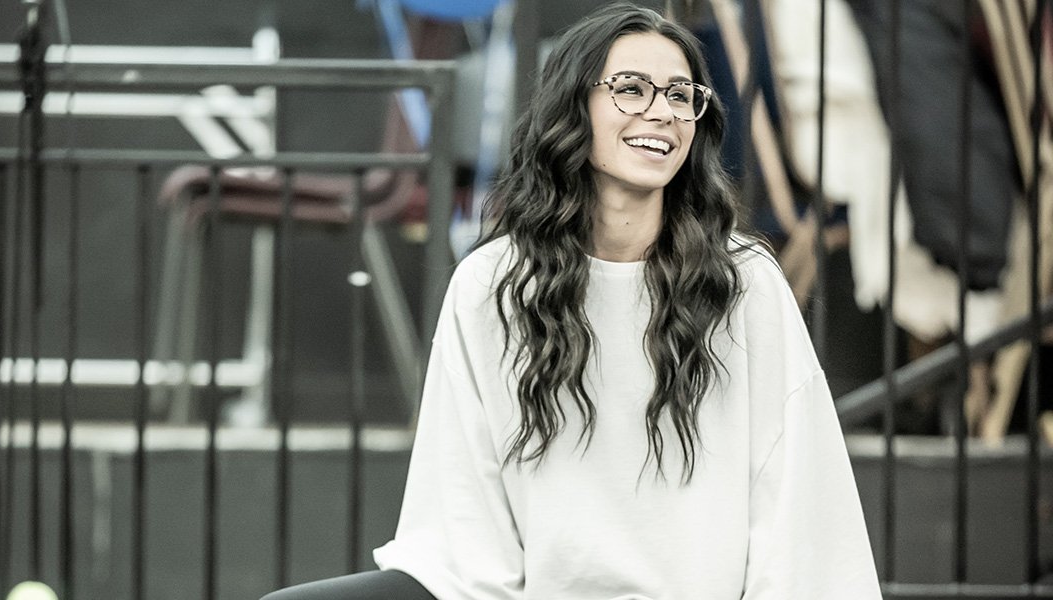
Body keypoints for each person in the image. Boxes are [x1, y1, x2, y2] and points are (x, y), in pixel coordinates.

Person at [262, 2, 882, 598]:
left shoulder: (744, 284)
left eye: (680, 95)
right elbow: (459, 510)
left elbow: (801, 502)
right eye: (632, 89)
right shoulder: (493, 284)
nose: (662, 112)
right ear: (575, 109)